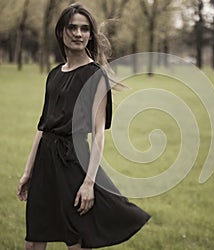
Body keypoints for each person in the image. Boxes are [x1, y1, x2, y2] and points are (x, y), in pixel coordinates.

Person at [17, 3, 150, 250]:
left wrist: (89, 183)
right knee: (34, 237)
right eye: (72, 28)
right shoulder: (54, 74)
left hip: (72, 162)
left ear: (90, 34)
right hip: (45, 162)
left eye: (84, 29)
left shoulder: (95, 75)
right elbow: (42, 126)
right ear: (61, 32)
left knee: (76, 240)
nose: (78, 33)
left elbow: (99, 133)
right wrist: (28, 171)